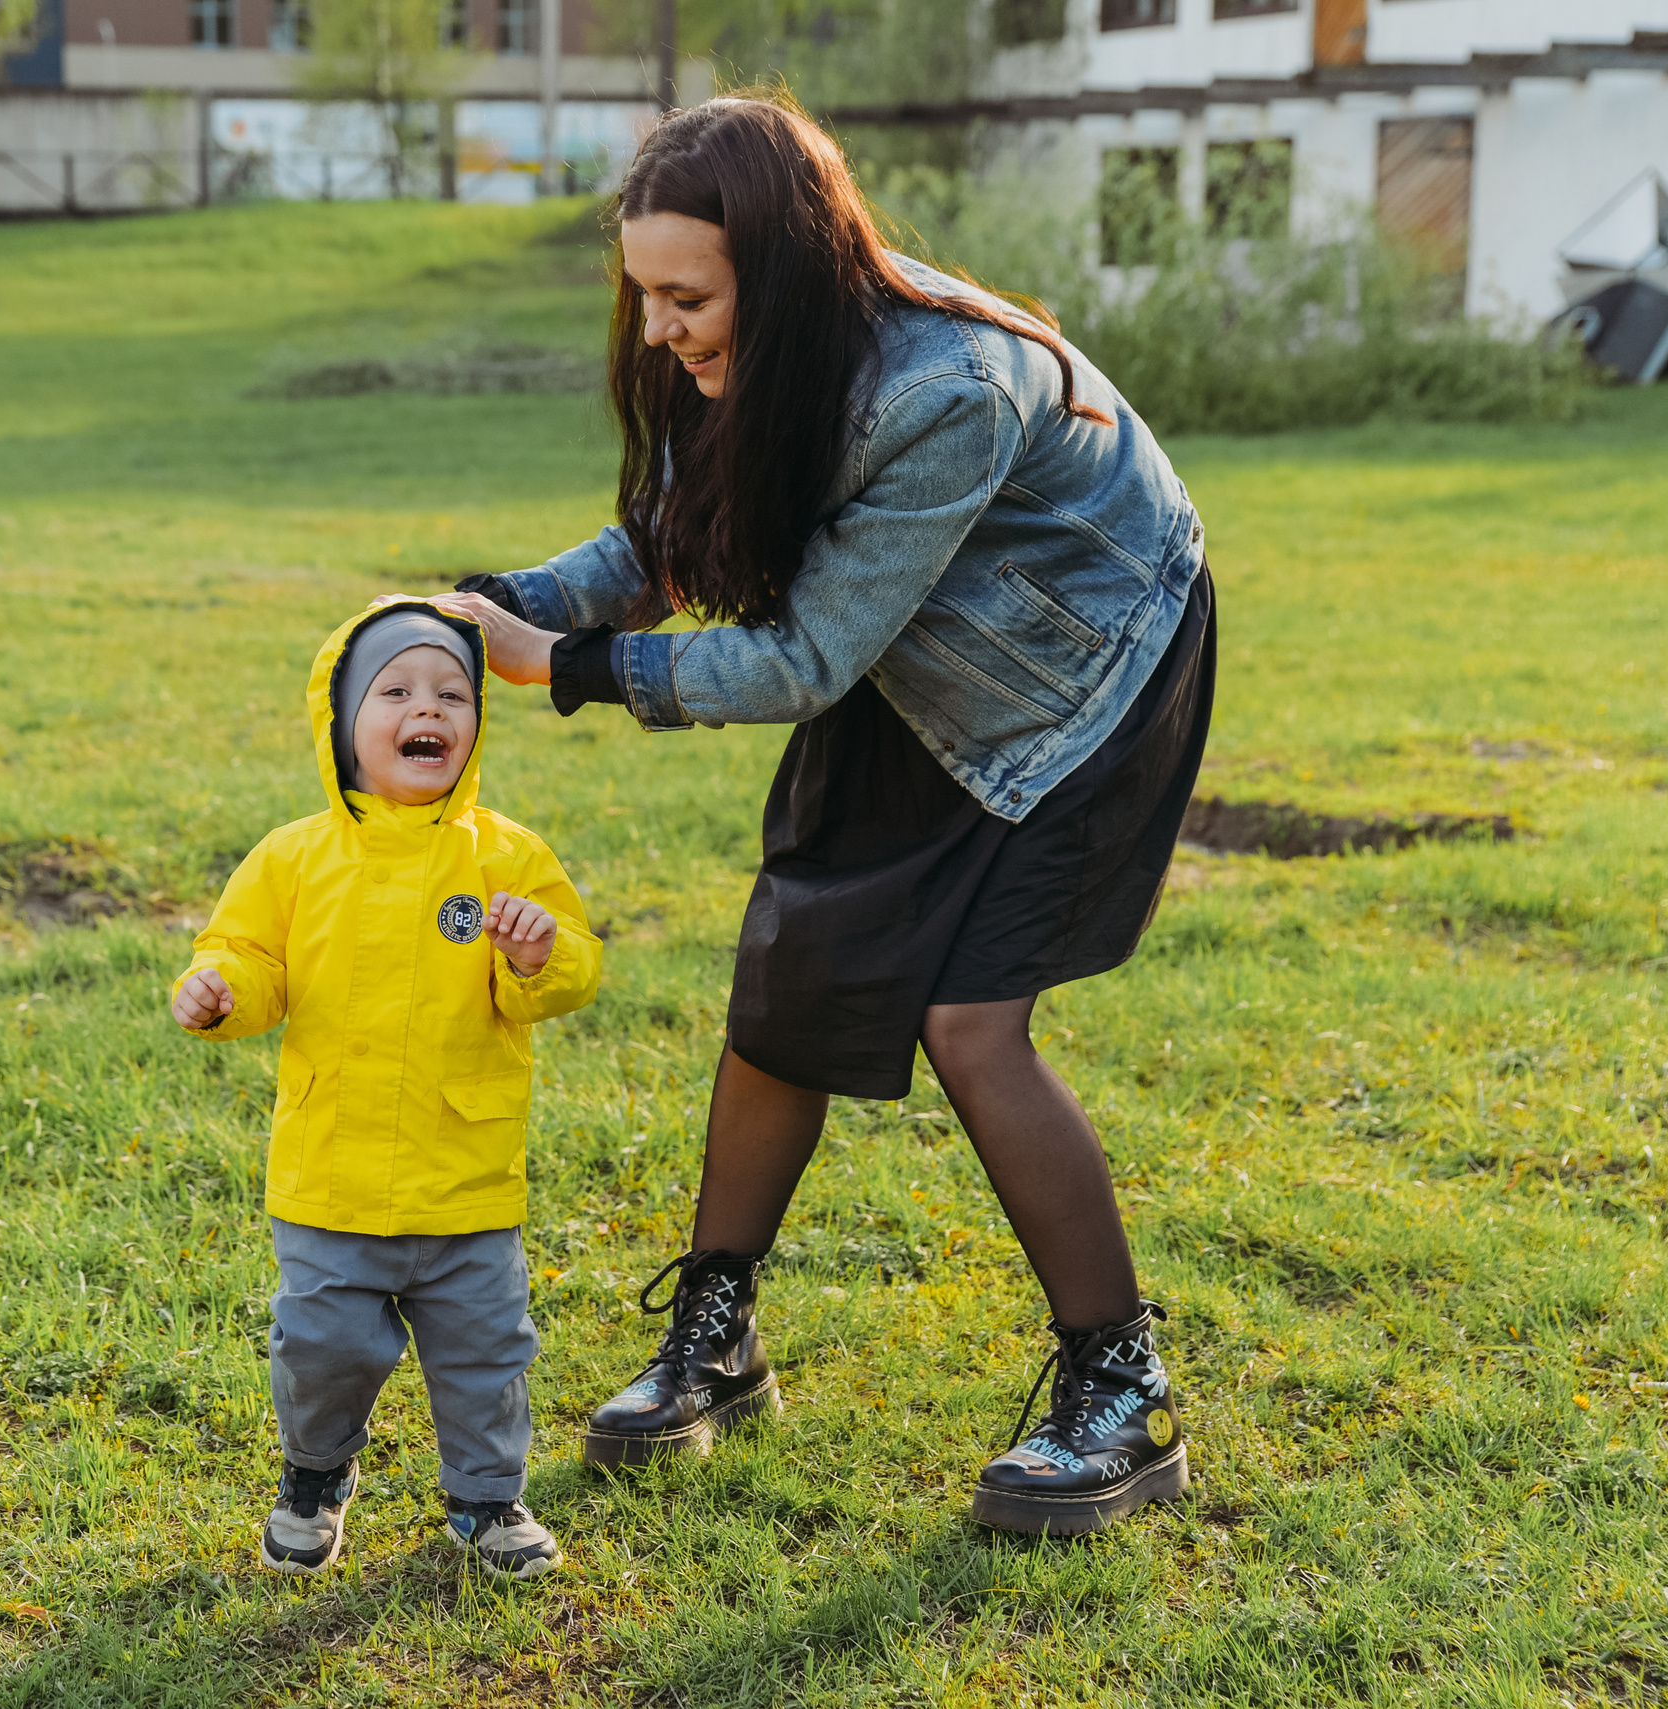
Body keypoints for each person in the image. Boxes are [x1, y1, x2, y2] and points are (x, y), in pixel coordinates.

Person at [436, 95, 1215, 1536]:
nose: (661, 328)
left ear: (779, 270)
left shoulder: (950, 389)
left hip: (1086, 669)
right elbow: (683, 529)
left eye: (687, 296)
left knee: (972, 1020)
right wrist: (520, 603)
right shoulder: (760, 358)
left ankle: (1122, 1393)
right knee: (790, 981)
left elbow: (799, 659)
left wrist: (579, 669)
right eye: (644, 293)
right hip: (909, 648)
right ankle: (716, 1343)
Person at [169, 597, 604, 1578]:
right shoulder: (294, 856)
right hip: (333, 1173)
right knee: (322, 1346)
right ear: (341, 721)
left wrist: (541, 952)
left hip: (465, 1174)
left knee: (487, 1353)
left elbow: (573, 965)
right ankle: (314, 1474)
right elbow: (245, 956)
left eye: (454, 692)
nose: (431, 708)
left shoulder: (506, 853)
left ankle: (488, 1499)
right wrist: (218, 990)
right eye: (398, 689)